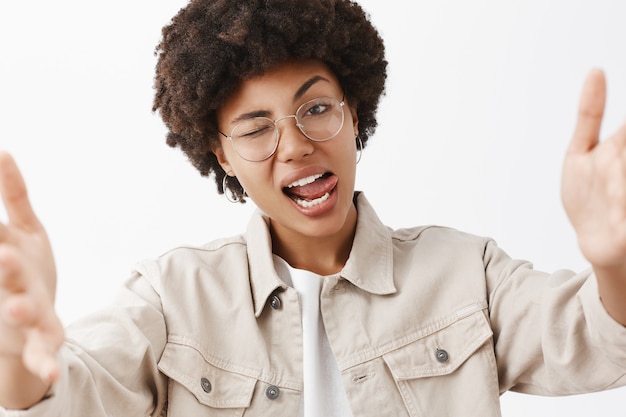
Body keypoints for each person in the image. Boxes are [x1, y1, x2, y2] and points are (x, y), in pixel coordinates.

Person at [1, 0, 626, 416]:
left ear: (354, 112)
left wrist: (614, 263)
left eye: (317, 108)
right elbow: (63, 396)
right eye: (255, 128)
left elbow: (598, 342)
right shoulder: (171, 299)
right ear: (221, 154)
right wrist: (16, 355)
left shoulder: (467, 274)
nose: (296, 146)